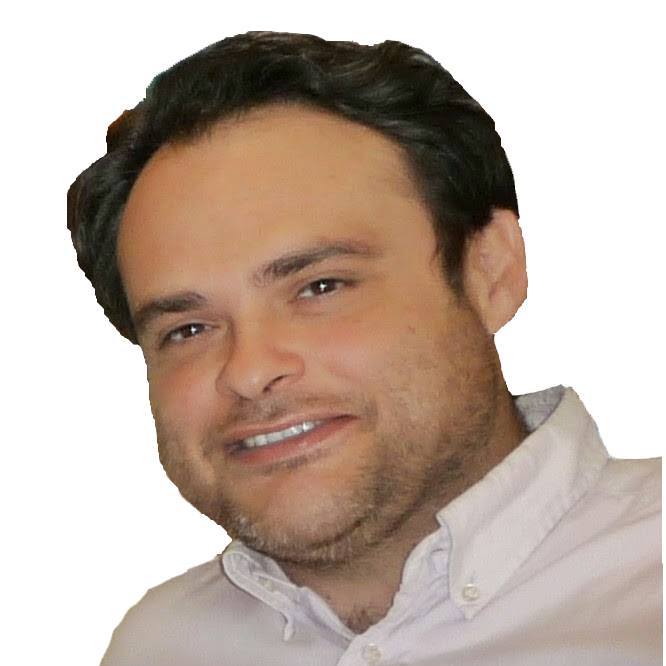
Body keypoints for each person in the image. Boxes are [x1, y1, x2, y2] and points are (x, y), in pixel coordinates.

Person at [67, 31, 661, 666]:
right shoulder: (159, 647)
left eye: (320, 287)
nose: (250, 370)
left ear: (491, 272)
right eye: (188, 329)